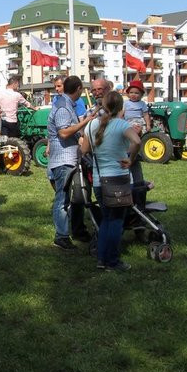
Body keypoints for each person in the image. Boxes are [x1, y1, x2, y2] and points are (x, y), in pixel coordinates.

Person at [80, 91, 141, 271]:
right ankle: (112, 261)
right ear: (122, 107)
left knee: (106, 220)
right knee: (116, 222)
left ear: (104, 106)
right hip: (119, 179)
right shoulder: (122, 125)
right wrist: (130, 159)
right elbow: (137, 141)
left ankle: (102, 259)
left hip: (100, 181)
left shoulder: (92, 125)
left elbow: (84, 150)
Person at [47, 75, 97, 250]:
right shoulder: (62, 107)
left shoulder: (67, 105)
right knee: (62, 199)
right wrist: (85, 121)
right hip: (62, 160)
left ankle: (71, 231)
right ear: (78, 89)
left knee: (70, 198)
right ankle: (61, 236)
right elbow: (64, 133)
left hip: (68, 159)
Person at [123, 79, 154, 199]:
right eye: (132, 93)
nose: (134, 95)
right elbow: (122, 113)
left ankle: (136, 150)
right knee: (129, 132)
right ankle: (132, 150)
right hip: (128, 122)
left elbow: (146, 115)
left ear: (141, 95)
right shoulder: (125, 104)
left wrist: (148, 124)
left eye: (137, 93)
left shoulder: (142, 104)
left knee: (138, 130)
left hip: (138, 121)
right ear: (128, 93)